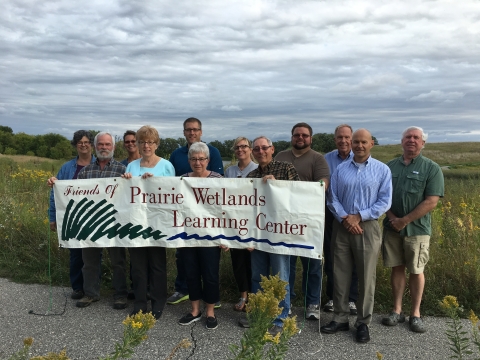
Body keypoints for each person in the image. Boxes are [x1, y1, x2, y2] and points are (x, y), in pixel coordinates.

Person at [321, 129, 392, 343]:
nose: (359, 145)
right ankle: (340, 318)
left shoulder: (382, 170)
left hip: (367, 228)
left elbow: (384, 201)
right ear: (351, 144)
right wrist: (346, 218)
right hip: (342, 226)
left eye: (364, 142)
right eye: (356, 142)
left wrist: (359, 217)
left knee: (366, 276)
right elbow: (332, 198)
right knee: (340, 273)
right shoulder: (341, 170)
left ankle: (363, 322)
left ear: (371, 143)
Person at [381, 126, 444, 333]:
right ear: (402, 141)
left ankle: (415, 314)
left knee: (417, 270)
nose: (412, 140)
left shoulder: (431, 168)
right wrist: (393, 219)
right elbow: (382, 196)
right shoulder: (389, 167)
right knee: (397, 267)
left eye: (416, 137)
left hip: (417, 229)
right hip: (392, 229)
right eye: (408, 137)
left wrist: (405, 220)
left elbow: (431, 201)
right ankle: (397, 310)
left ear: (423, 143)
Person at [241, 136, 300, 336]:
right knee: (257, 277)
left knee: (280, 277)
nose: (260, 152)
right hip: (258, 235)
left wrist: (278, 186)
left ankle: (280, 319)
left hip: (280, 235)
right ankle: (259, 314)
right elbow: (245, 208)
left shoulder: (286, 169)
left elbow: (298, 197)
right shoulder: (252, 175)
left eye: (264, 148)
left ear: (272, 149)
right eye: (256, 149)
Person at [275, 123, 330, 320]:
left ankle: (312, 303)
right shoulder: (280, 156)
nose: (300, 138)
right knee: (286, 265)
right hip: (284, 221)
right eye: (297, 135)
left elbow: (323, 184)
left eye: (304, 135)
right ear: (291, 137)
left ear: (310, 138)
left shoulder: (317, 158)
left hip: (309, 221)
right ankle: (286, 303)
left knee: (312, 265)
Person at [167, 117, 224, 306]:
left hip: (208, 220)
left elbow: (219, 187)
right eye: (188, 130)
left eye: (195, 129)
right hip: (185, 218)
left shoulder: (213, 152)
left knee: (209, 267)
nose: (192, 133)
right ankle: (183, 290)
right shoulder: (176, 154)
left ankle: (210, 299)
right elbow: (170, 184)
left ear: (201, 131)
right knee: (184, 260)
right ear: (184, 132)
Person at [122, 126, 175, 319]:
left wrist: (155, 182)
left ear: (156, 144)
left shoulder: (166, 165)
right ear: (137, 144)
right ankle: (139, 302)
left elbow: (172, 192)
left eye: (150, 142)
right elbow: (125, 193)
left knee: (157, 265)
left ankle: (158, 302)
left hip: (157, 223)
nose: (146, 145)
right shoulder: (132, 166)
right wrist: (127, 180)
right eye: (142, 142)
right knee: (137, 266)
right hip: (136, 223)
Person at [71, 132, 128, 309]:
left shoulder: (123, 170)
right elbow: (72, 195)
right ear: (95, 147)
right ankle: (91, 293)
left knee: (118, 262)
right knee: (89, 262)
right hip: (91, 223)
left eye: (107, 144)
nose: (104, 147)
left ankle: (120, 295)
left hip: (115, 223)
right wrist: (56, 184)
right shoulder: (86, 171)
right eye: (101, 145)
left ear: (114, 147)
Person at [177, 142, 227, 330]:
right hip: (188, 236)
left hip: (211, 236)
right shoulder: (181, 180)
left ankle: (210, 311)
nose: (198, 162)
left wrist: (225, 237)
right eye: (194, 159)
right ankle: (195, 310)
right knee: (191, 273)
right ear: (189, 160)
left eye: (202, 159)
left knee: (210, 274)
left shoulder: (218, 179)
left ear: (208, 160)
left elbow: (225, 209)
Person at [47, 130, 96, 300]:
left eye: (86, 142)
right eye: (79, 142)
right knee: (75, 255)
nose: (83, 145)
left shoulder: (101, 165)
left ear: (92, 144)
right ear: (75, 145)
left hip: (94, 218)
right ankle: (77, 287)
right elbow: (55, 194)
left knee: (93, 256)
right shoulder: (67, 168)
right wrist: (52, 217)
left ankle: (92, 288)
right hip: (73, 218)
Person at [323, 124, 359, 315]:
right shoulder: (326, 159)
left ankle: (352, 299)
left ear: (352, 138)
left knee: (354, 256)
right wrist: (341, 216)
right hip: (332, 214)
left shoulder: (361, 158)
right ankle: (332, 297)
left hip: (357, 216)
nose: (343, 141)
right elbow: (327, 190)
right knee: (332, 256)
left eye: (347, 137)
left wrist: (352, 217)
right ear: (335, 139)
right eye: (339, 137)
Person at [225, 137, 258, 312]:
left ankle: (254, 297)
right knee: (238, 262)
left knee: (253, 263)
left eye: (244, 146)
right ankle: (243, 295)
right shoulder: (229, 171)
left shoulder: (258, 169)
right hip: (235, 224)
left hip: (254, 223)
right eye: (237, 147)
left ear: (251, 149)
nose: (240, 150)